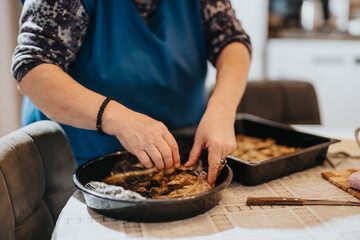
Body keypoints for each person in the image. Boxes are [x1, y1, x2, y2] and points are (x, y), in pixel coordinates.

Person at [12, 0, 251, 188]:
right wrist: (118, 118)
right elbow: (33, 68)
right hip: (77, 160)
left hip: (180, 154)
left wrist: (222, 110)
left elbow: (231, 39)